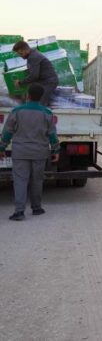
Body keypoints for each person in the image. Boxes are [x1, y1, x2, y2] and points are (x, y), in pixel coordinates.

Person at [0, 83, 60, 221]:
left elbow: (7, 132)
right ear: (40, 97)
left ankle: (19, 211)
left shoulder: (16, 111)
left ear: (28, 95)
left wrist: (2, 148)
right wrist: (56, 150)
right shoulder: (47, 113)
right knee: (37, 180)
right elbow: (52, 134)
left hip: (20, 152)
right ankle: (37, 208)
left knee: (20, 181)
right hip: (40, 152)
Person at [12, 41, 59, 106]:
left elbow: (34, 76)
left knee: (40, 104)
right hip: (43, 81)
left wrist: (20, 82)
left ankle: (43, 114)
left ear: (26, 50)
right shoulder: (33, 54)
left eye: (21, 53)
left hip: (48, 82)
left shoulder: (33, 57)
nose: (20, 56)